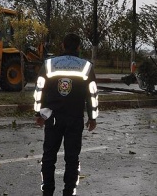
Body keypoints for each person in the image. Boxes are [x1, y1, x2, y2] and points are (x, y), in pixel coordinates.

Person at [33, 33, 99, 196]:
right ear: (78, 47)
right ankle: (69, 191)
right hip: (75, 119)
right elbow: (92, 94)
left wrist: (38, 113)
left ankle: (47, 191)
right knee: (72, 158)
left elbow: (39, 89)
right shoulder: (86, 66)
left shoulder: (49, 64)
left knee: (48, 156)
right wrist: (92, 117)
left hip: (52, 118)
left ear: (62, 45)